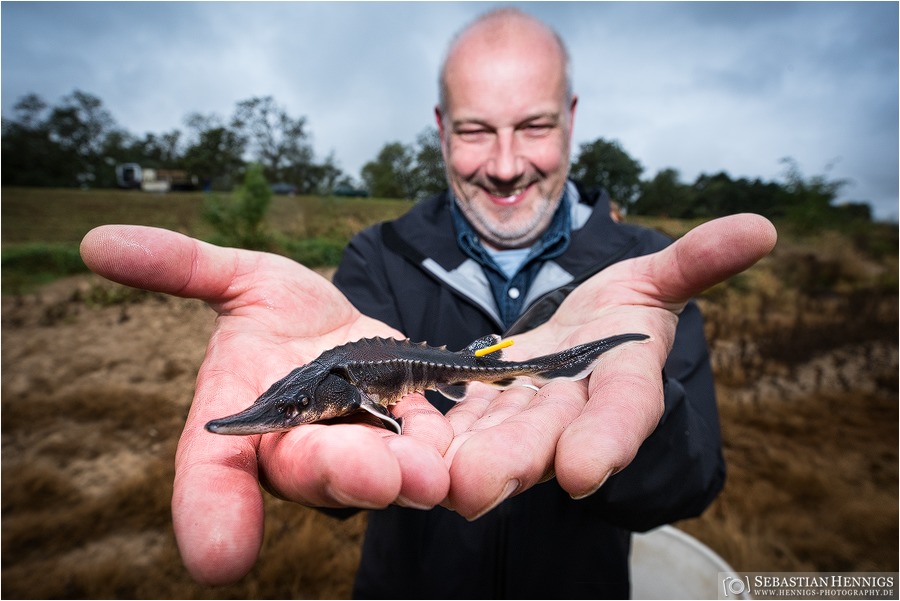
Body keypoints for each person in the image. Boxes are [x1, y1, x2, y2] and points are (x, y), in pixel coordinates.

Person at [80, 8, 776, 599]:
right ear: (441, 128)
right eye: (475, 130)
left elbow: (696, 482)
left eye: (532, 125)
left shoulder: (645, 271)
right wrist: (319, 450)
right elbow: (341, 462)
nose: (505, 164)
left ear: (571, 120)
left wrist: (628, 414)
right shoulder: (376, 256)